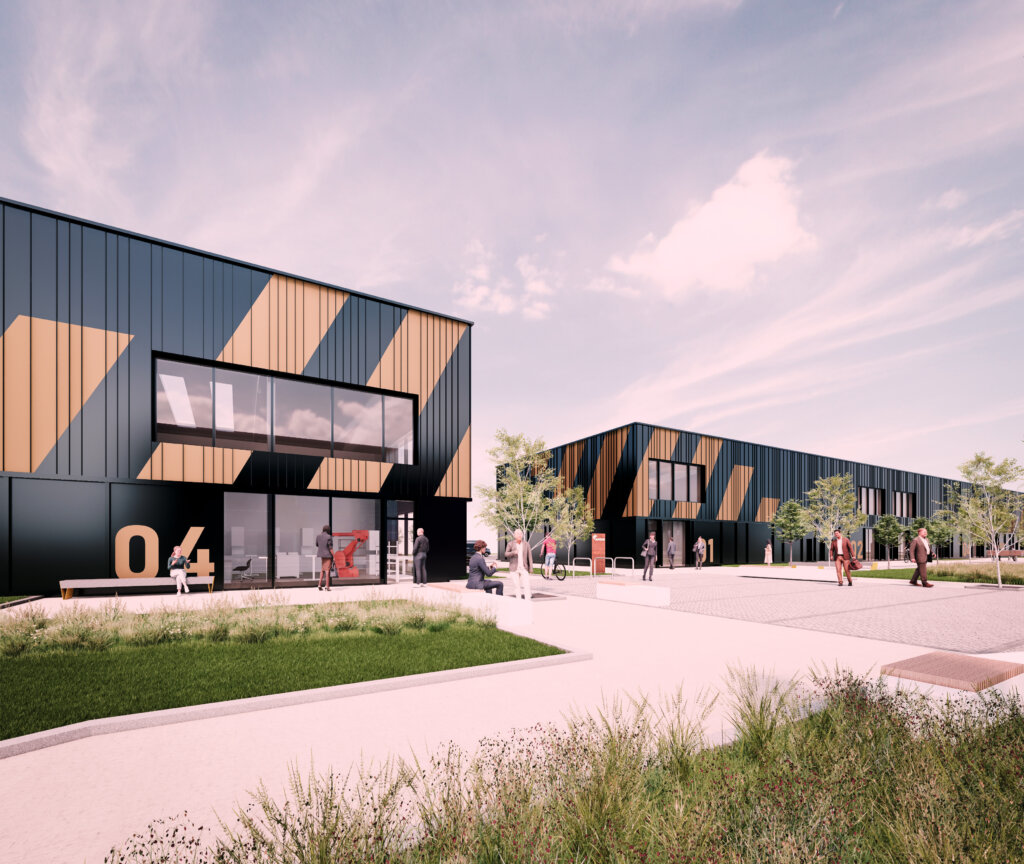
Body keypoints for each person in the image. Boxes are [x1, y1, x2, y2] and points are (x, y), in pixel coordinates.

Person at [505, 529, 533, 600]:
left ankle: (527, 599)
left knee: (527, 584)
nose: (519, 535)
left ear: (522, 535)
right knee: (517, 586)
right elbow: (506, 554)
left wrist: (531, 568)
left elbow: (529, 556)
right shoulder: (510, 544)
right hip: (514, 568)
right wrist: (513, 552)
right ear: (514, 535)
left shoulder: (526, 544)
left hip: (524, 568)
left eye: (521, 533)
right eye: (517, 533)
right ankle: (518, 599)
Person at [316, 524, 333, 591]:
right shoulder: (329, 537)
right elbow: (330, 548)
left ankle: (319, 584)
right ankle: (327, 586)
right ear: (328, 530)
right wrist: (334, 556)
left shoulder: (318, 536)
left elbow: (317, 544)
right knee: (327, 570)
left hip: (322, 555)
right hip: (328, 555)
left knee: (322, 570)